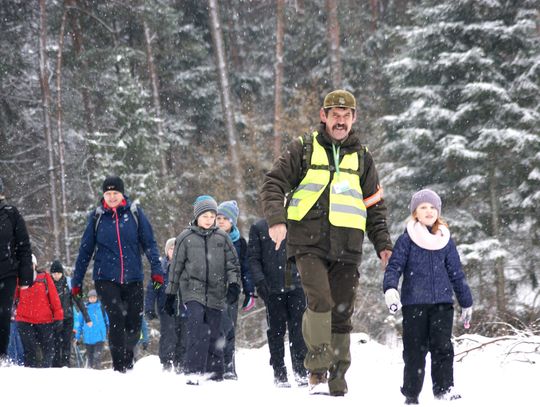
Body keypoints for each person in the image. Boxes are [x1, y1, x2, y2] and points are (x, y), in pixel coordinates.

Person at [260, 89, 393, 396]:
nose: (341, 122)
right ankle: (318, 371)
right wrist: (277, 220)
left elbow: (374, 206)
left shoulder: (363, 157)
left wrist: (383, 244)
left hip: (348, 246)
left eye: (346, 117)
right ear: (324, 116)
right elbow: (273, 182)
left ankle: (338, 378)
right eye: (335, 116)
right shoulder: (304, 148)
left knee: (342, 311)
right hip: (308, 243)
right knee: (320, 300)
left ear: (354, 118)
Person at [383, 189, 473, 405]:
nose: (429, 211)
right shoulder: (407, 240)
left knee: (443, 347)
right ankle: (411, 393)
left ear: (438, 212)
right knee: (415, 350)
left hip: (442, 304)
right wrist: (390, 288)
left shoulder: (445, 240)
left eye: (433, 207)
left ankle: (444, 389)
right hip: (415, 304)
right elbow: (394, 267)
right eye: (423, 207)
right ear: (415, 212)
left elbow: (456, 272)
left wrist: (466, 301)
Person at [71, 175, 164, 372]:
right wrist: (77, 282)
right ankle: (119, 367)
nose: (111, 197)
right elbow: (85, 251)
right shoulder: (97, 218)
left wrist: (157, 270)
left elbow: (149, 243)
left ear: (122, 194)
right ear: (103, 195)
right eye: (108, 193)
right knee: (116, 319)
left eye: (115, 193)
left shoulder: (135, 213)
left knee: (133, 322)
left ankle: (128, 361)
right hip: (105, 277)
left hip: (133, 276)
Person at [164, 195, 240, 385]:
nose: (209, 219)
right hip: (192, 290)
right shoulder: (185, 237)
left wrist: (233, 284)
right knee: (196, 326)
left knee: (215, 331)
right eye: (205, 215)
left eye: (212, 216)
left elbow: (232, 264)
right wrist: (171, 294)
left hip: (216, 291)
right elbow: (176, 268)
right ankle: (193, 371)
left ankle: (214, 372)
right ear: (197, 216)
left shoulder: (222, 237)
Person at [248, 218, 308, 387]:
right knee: (276, 331)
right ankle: (279, 372)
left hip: (296, 285)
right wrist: (260, 282)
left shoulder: (297, 223)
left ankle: (301, 370)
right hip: (272, 287)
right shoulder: (259, 227)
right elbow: (253, 258)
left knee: (298, 330)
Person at [216, 200, 254, 380]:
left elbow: (246, 269)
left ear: (232, 221)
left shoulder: (240, 242)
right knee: (215, 328)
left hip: (232, 290)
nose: (221, 221)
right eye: (218, 218)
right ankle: (217, 365)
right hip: (212, 289)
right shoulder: (210, 237)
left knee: (230, 328)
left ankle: (229, 366)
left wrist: (249, 292)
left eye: (225, 218)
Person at [0, 177, 33, 364]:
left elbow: (23, 245)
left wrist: (26, 275)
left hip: (7, 273)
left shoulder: (11, 214)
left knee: (3, 315)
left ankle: (2, 356)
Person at [144, 237, 187, 372]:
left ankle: (180, 362)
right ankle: (166, 362)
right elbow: (152, 289)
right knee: (169, 334)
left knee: (183, 335)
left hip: (184, 307)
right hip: (165, 307)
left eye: (177, 248)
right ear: (167, 251)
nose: (174, 251)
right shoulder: (161, 269)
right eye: (171, 249)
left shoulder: (186, 267)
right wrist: (149, 308)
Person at [15, 256, 64, 367]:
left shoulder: (44, 277)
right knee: (30, 351)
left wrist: (59, 317)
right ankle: (31, 377)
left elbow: (54, 298)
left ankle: (45, 374)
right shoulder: (18, 279)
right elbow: (12, 297)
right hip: (24, 320)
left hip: (44, 320)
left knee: (48, 351)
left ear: (35, 265)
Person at [50, 259, 92, 367]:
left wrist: (87, 318)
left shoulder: (70, 283)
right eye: (54, 273)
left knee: (66, 344)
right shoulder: (48, 284)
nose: (56, 275)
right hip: (54, 320)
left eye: (58, 273)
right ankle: (55, 367)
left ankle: (65, 366)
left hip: (68, 318)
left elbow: (79, 301)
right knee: (55, 344)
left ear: (62, 273)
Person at [75, 289, 109, 369]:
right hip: (88, 338)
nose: (92, 299)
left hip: (100, 337)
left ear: (97, 298)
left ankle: (97, 373)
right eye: (91, 297)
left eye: (94, 297)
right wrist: (77, 337)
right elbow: (79, 324)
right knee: (90, 360)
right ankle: (92, 376)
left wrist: (108, 332)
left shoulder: (101, 307)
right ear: (88, 298)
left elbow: (107, 321)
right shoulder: (84, 309)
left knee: (97, 357)